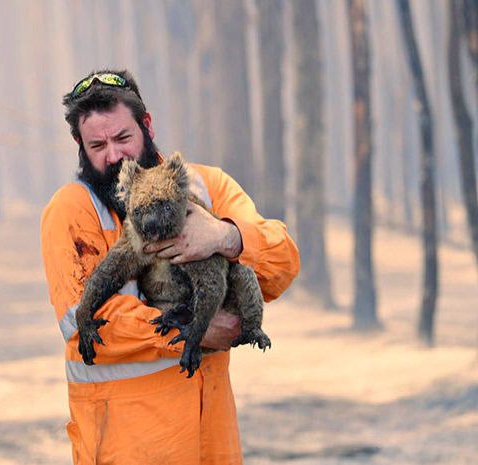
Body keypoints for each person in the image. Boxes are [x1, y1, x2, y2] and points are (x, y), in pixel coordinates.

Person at [40, 69, 300, 464]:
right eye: (97, 144)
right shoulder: (72, 211)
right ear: (80, 146)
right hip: (125, 449)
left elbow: (283, 262)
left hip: (213, 443)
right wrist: (189, 330)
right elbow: (83, 322)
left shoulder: (204, 186)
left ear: (147, 125)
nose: (114, 155)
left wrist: (225, 237)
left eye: (123, 138)